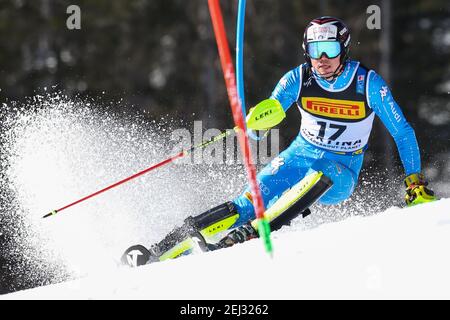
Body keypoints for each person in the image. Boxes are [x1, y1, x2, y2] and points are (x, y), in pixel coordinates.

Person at [122, 16, 436, 267]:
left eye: (329, 48)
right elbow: (267, 118)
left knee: (321, 173)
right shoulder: (297, 79)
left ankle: (248, 236)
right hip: (299, 155)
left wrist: (414, 183)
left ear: (344, 48)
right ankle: (160, 248)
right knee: (249, 202)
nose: (323, 58)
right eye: (315, 50)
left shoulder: (367, 84)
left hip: (341, 170)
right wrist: (256, 123)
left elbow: (402, 132)